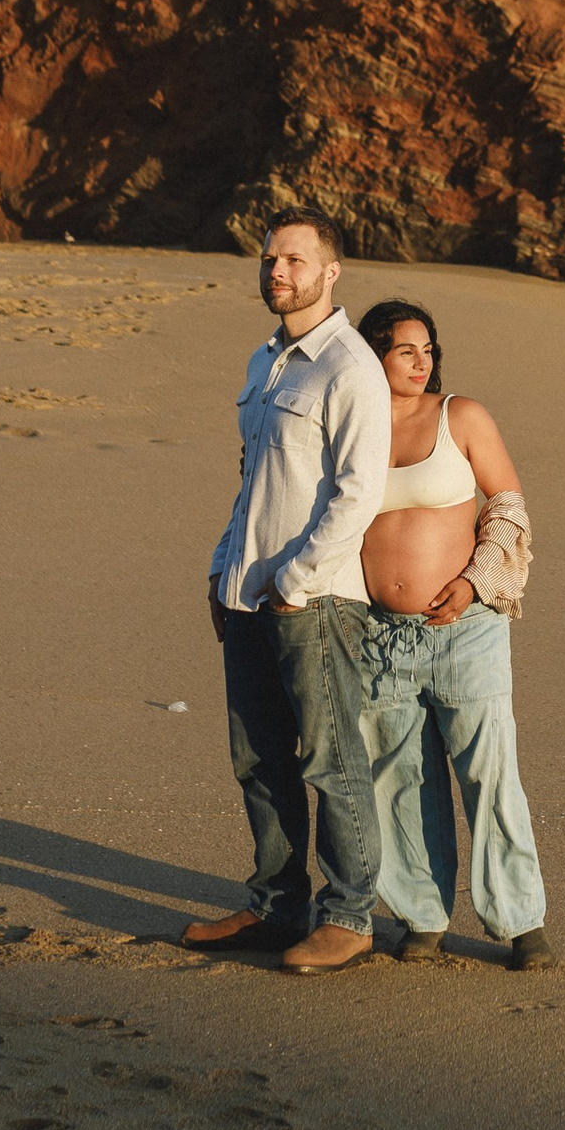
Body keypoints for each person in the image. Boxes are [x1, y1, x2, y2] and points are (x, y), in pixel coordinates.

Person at [179, 210, 390, 976]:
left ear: (330, 272)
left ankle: (349, 917)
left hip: (316, 601)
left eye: (295, 262)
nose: (278, 273)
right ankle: (275, 907)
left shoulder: (350, 368)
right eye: (270, 260)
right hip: (245, 594)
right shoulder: (266, 362)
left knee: (330, 761)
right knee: (258, 760)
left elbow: (357, 494)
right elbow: (253, 482)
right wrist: (222, 567)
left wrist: (294, 583)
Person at [353, 298, 552, 970]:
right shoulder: (352, 430)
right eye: (404, 350)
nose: (420, 362)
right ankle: (423, 918)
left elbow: (507, 507)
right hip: (380, 637)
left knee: (490, 774)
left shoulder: (459, 416)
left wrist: (473, 582)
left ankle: (522, 926)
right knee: (399, 780)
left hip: (466, 630)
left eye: (427, 349)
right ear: (372, 355)